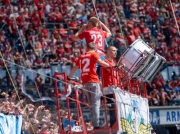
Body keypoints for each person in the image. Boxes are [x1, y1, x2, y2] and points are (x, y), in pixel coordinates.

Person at [68, 42, 110, 129]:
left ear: (87, 48)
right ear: (95, 49)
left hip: (84, 82)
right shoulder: (94, 54)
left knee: (91, 104)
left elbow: (75, 67)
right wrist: (111, 65)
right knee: (96, 103)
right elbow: (101, 62)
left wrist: (69, 77)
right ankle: (96, 124)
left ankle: (94, 123)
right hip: (93, 80)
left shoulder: (81, 56)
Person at [101, 46, 118, 127]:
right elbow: (110, 69)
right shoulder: (105, 61)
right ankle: (113, 124)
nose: (115, 52)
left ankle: (115, 123)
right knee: (113, 107)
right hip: (109, 87)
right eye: (113, 51)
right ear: (108, 52)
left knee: (116, 107)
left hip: (115, 87)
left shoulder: (114, 62)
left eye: (116, 51)